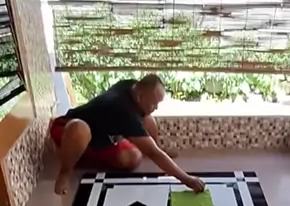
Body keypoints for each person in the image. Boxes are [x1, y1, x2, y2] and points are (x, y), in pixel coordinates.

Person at [50, 74, 205, 196]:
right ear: (140, 97)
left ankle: (85, 157)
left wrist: (154, 148)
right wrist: (187, 179)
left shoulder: (132, 87)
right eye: (154, 103)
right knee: (80, 129)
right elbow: (154, 154)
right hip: (68, 130)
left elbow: (150, 145)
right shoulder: (124, 110)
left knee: (134, 155)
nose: (156, 107)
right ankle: (65, 172)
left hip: (102, 137)